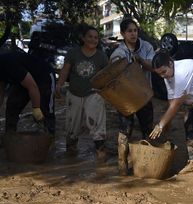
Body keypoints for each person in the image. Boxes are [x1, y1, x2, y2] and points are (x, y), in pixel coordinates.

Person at [56, 26, 108, 162]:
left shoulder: (101, 56)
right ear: (83, 38)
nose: (93, 39)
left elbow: (107, 75)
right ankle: (71, 151)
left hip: (94, 94)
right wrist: (59, 85)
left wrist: (107, 92)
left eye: (96, 37)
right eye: (90, 36)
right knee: (72, 125)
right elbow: (65, 71)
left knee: (97, 123)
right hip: (74, 93)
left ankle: (100, 151)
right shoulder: (73, 53)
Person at [110, 18, 155, 175]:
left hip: (144, 96)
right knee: (125, 131)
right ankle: (122, 166)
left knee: (147, 130)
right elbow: (113, 77)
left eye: (135, 30)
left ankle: (147, 164)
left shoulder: (147, 47)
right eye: (129, 31)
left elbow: (154, 67)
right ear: (123, 34)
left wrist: (141, 60)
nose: (133, 33)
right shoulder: (118, 53)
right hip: (125, 99)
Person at [0, 50, 55, 135]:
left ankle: (48, 138)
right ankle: (10, 136)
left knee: (45, 110)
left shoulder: (10, 65)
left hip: (43, 76)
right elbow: (1, 91)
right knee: (12, 105)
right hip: (23, 80)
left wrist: (36, 108)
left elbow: (33, 87)